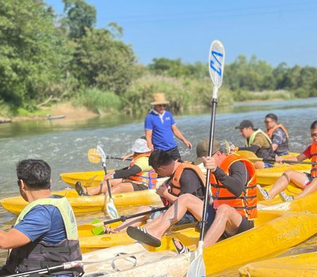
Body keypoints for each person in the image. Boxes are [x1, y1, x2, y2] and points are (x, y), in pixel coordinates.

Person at [126, 142, 256, 248]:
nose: (204, 163)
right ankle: (156, 233)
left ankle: (201, 252)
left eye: (207, 159)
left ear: (218, 154)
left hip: (240, 222)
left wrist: (217, 170)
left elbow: (238, 189)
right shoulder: (212, 168)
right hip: (217, 218)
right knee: (185, 198)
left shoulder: (237, 164)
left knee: (224, 209)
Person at [261, 120, 317, 201]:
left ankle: (296, 199)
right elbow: (297, 159)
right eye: (312, 135)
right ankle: (269, 195)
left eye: (316, 135)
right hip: (314, 178)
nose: (314, 138)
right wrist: (283, 160)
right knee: (288, 172)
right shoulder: (313, 147)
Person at [76, 139, 157, 196]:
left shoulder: (144, 160)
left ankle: (102, 197)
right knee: (110, 182)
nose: (133, 153)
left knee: (120, 186)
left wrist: (112, 176)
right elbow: (128, 169)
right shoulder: (140, 158)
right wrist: (115, 172)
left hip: (143, 187)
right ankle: (88, 192)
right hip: (134, 181)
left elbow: (130, 172)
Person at [144, 92, 192, 161]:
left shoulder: (168, 114)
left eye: (164, 105)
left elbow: (175, 130)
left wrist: (184, 140)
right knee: (165, 169)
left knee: (179, 166)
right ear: (155, 105)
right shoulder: (150, 118)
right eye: (160, 105)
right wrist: (150, 149)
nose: (162, 107)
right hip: (161, 150)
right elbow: (148, 136)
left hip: (173, 147)